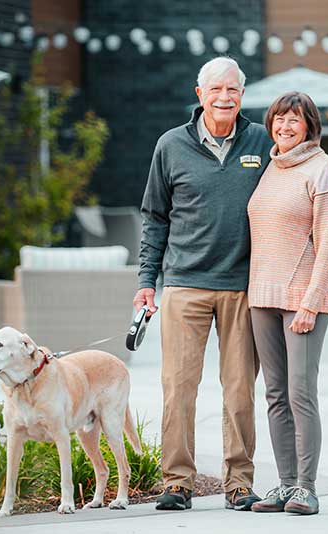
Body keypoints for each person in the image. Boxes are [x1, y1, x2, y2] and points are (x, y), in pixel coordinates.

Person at [134, 56, 273, 512]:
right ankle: (177, 481)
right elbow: (154, 218)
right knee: (178, 387)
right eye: (216, 89)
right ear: (200, 95)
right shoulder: (170, 145)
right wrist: (146, 281)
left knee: (238, 390)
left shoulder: (261, 140)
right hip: (184, 285)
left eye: (232, 89)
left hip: (242, 286)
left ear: (242, 95)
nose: (224, 97)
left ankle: (238, 483)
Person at [247, 92, 328, 516]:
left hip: (303, 298)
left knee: (300, 392)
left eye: (295, 120)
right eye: (279, 119)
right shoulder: (271, 167)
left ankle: (307, 487)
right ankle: (286, 484)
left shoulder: (325, 171)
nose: (285, 126)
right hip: (262, 296)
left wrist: (309, 302)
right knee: (274, 393)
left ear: (310, 126)